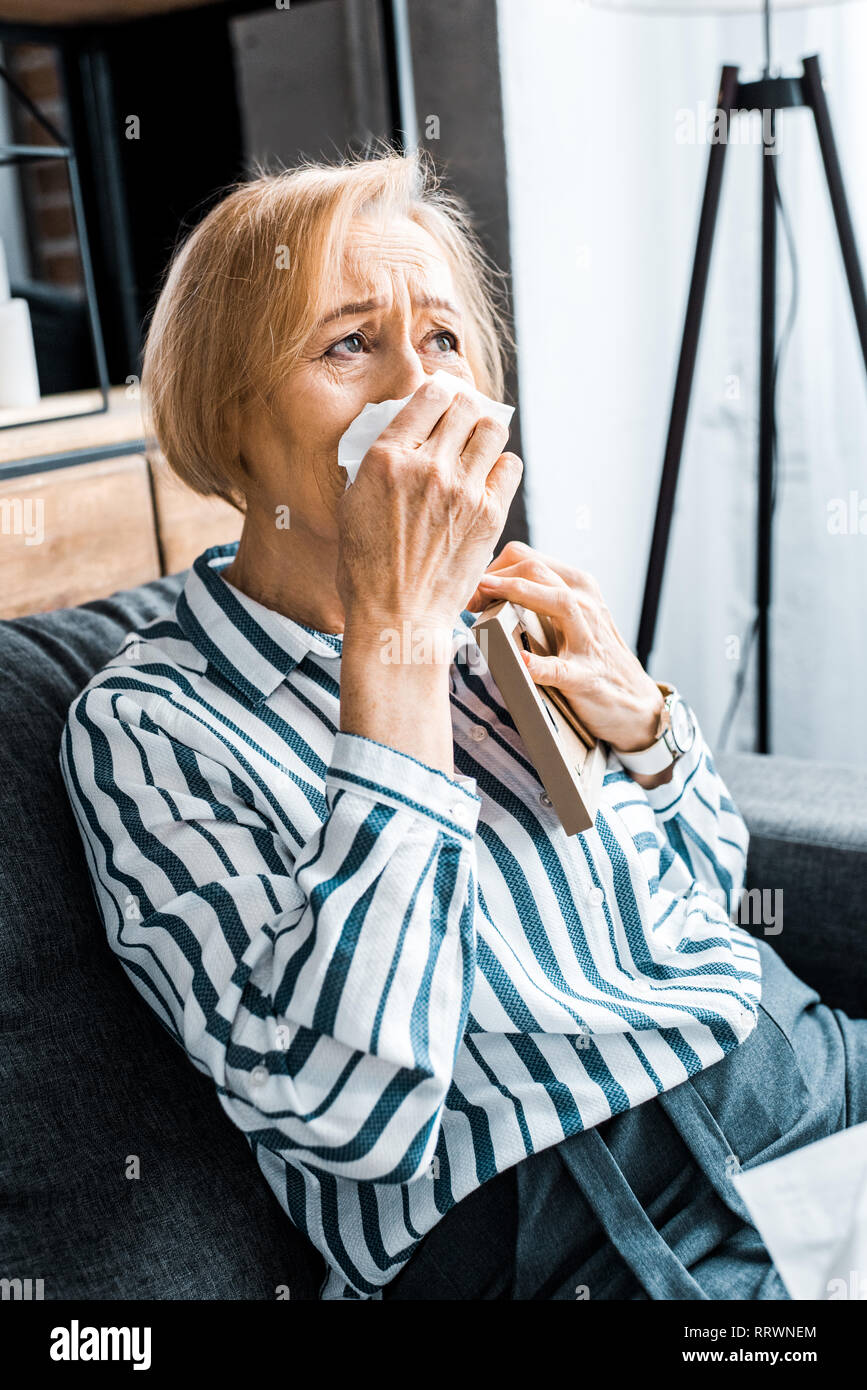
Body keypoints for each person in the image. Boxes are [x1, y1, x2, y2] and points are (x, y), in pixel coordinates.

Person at [60, 150, 867, 1300]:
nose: (419, 391)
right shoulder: (147, 725)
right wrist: (391, 642)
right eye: (350, 343)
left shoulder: (497, 621)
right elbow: (348, 1113)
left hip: (795, 1075)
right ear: (229, 420)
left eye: (442, 341)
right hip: (583, 1222)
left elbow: (709, 899)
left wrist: (645, 729)